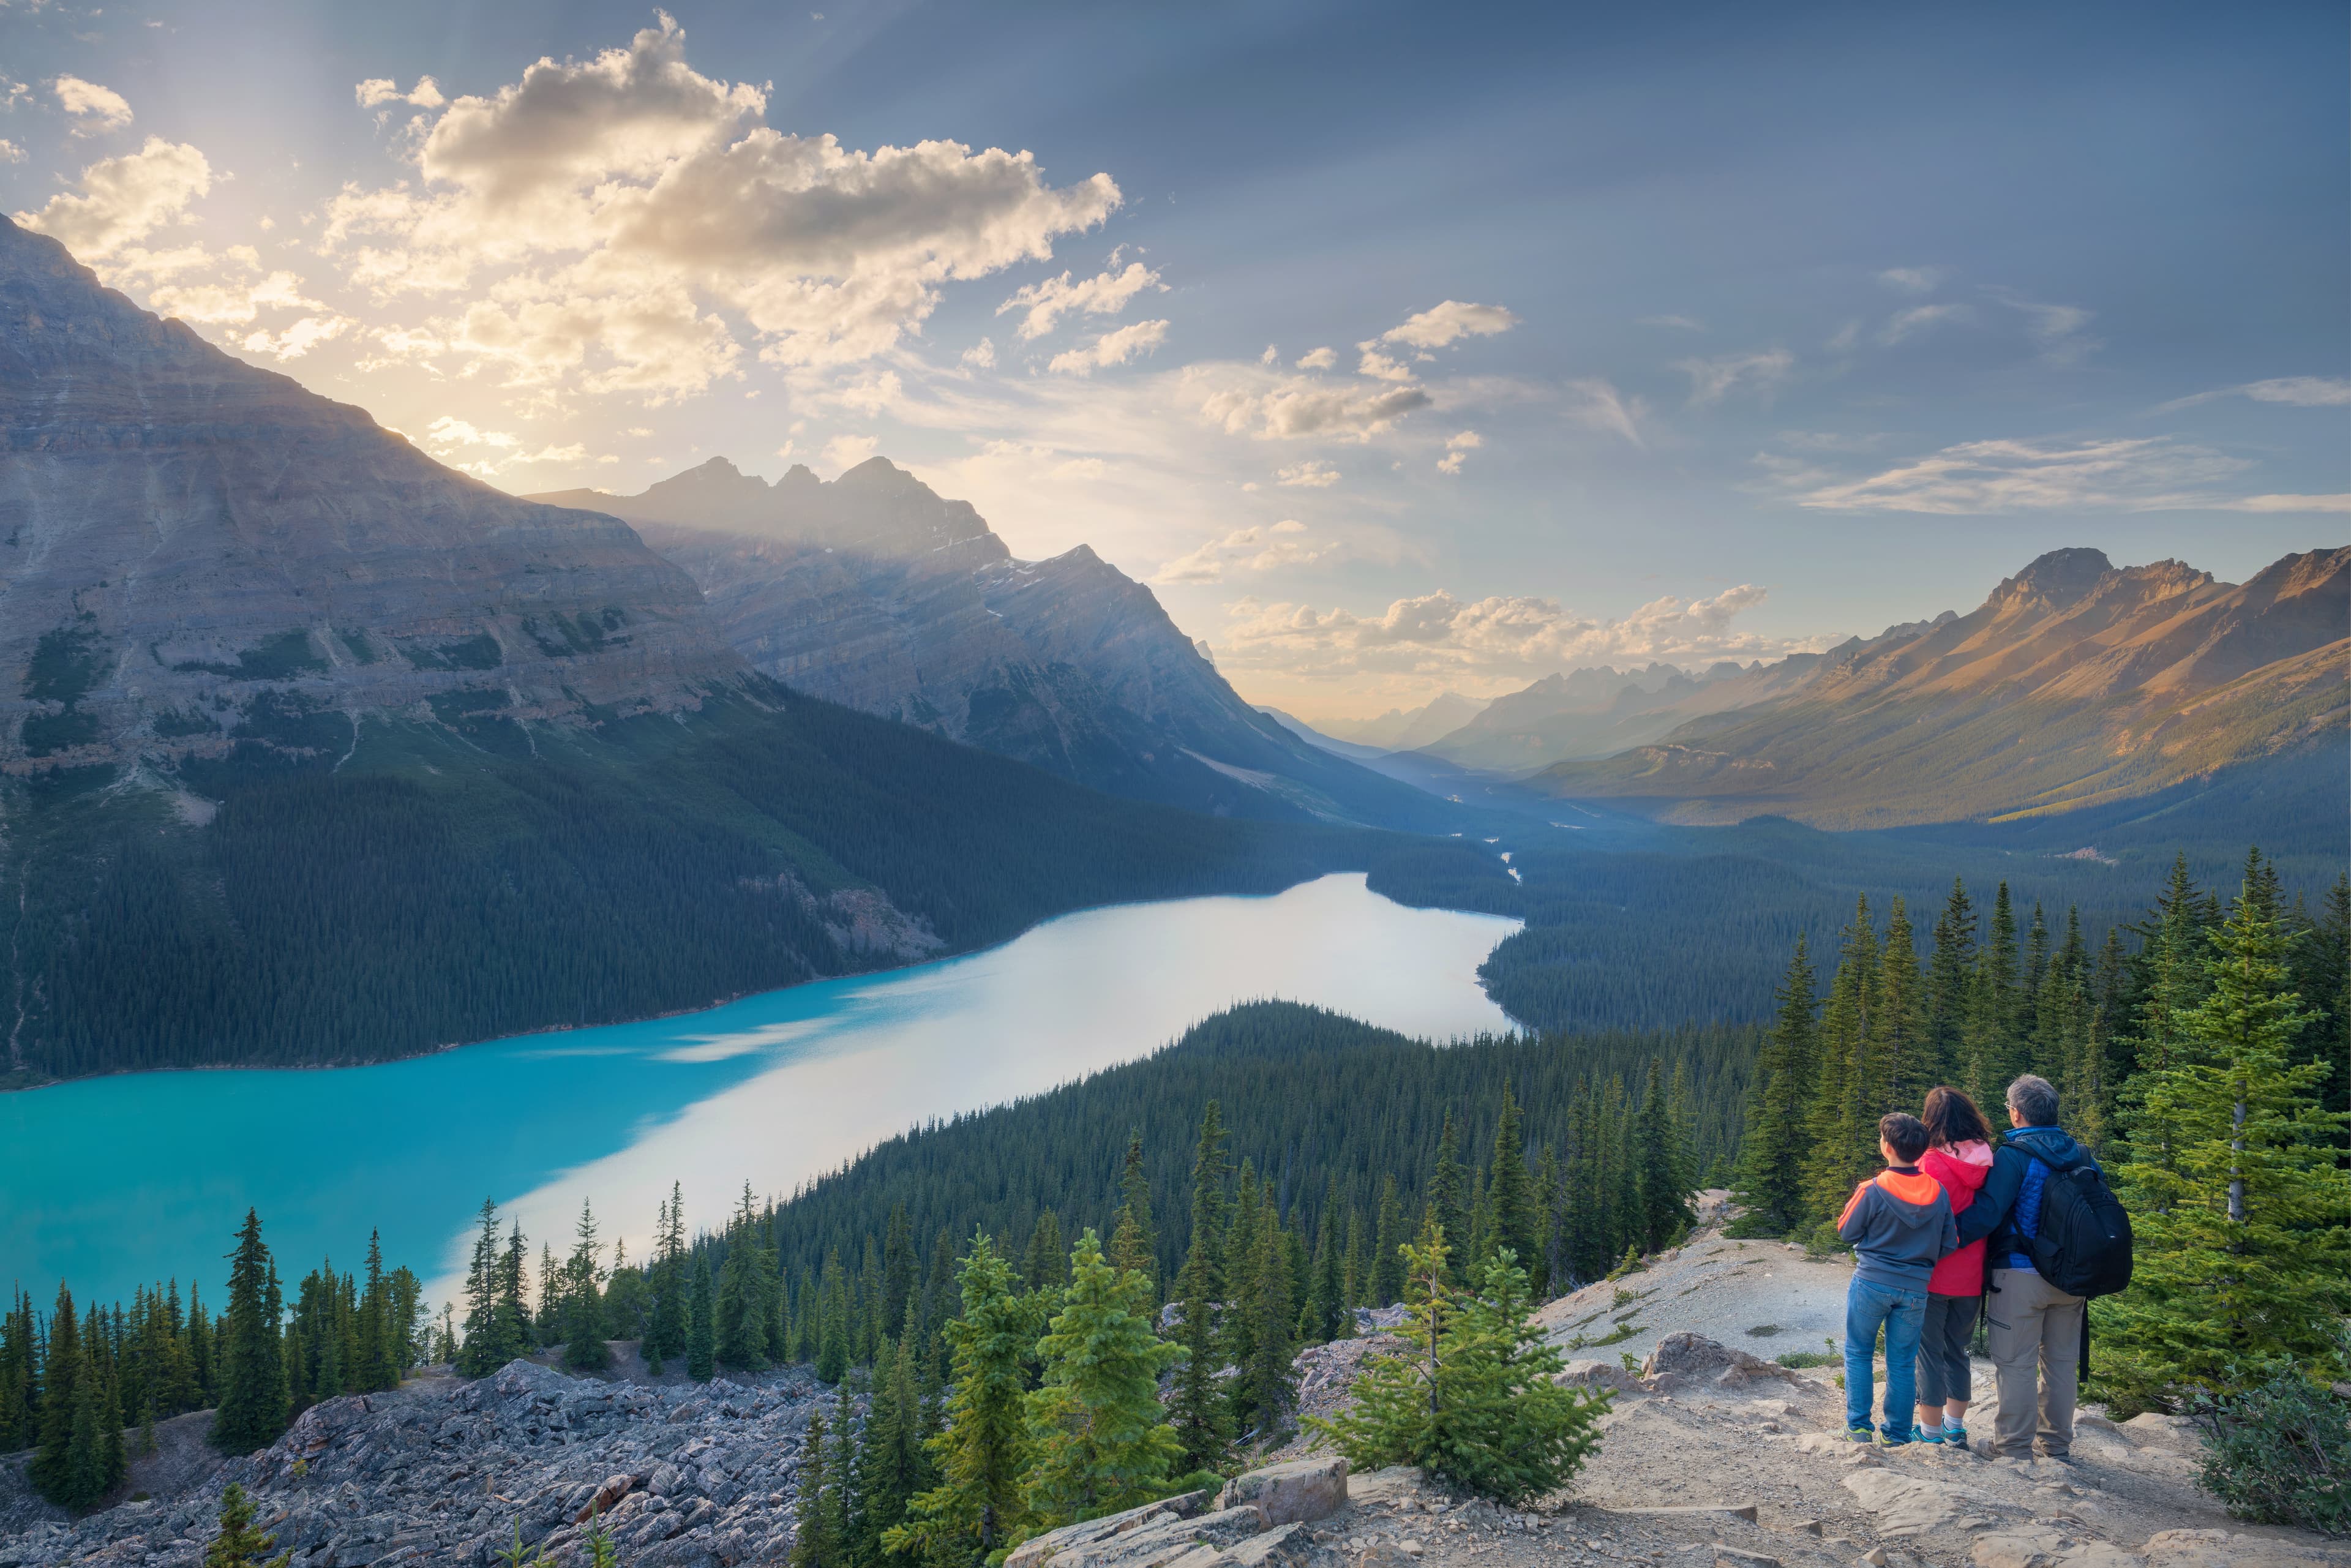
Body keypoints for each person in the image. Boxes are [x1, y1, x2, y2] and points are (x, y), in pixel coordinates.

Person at [1952, 1073, 2093, 1461]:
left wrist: (1941, 1235)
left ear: (2016, 1113)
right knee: (2061, 1363)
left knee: (2016, 1362)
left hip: (2019, 1275)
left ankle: (2012, 1447)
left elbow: (1988, 1214)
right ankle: (2056, 1446)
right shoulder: (2081, 1154)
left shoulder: (2014, 1156)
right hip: (2072, 1278)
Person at [1836, 1111, 1957, 1446]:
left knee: (1859, 1352)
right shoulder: (1938, 1192)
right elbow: (1950, 1244)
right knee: (1903, 1362)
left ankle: (1858, 1428)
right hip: (1916, 1289)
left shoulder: (1872, 1189)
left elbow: (1846, 1231)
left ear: (1887, 1147)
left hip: (1872, 1282)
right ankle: (1898, 1435)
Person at [1914, 1086, 1995, 1447]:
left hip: (1933, 1272)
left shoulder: (1927, 1162)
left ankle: (1930, 1432)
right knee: (1957, 1352)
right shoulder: (1986, 1161)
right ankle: (1955, 1428)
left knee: (1929, 1352)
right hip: (1972, 1273)